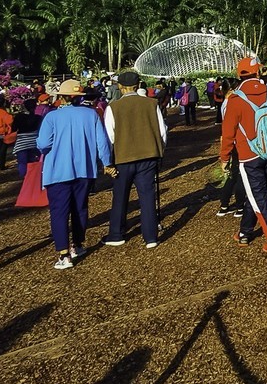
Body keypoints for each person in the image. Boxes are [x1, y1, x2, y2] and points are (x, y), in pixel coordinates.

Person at [219, 56, 267, 252]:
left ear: (239, 75)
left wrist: (225, 157)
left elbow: (228, 132)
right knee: (255, 194)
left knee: (258, 196)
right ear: (258, 72)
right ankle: (245, 232)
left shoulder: (236, 100)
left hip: (248, 155)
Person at [36, 79, 112, 270]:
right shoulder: (91, 114)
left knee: (59, 212)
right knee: (80, 208)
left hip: (58, 172)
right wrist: (107, 163)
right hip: (85, 170)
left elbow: (43, 144)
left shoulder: (52, 117)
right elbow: (102, 143)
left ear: (61, 97)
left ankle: (63, 254)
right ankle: (78, 245)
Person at [102, 71, 167, 248]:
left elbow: (110, 136)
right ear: (138, 86)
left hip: (123, 157)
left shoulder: (113, 107)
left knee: (120, 196)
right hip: (148, 155)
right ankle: (151, 237)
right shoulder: (152, 103)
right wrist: (159, 151)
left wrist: (108, 161)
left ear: (120, 87)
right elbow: (162, 131)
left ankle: (116, 234)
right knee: (147, 196)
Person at [12, 97, 43, 181]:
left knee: (22, 163)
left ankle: (24, 180)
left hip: (22, 142)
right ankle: (36, 178)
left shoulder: (19, 117)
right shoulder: (38, 118)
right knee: (36, 161)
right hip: (35, 142)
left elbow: (13, 129)